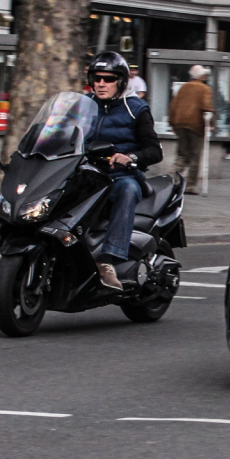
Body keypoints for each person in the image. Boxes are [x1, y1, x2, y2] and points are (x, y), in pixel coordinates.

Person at [84, 52, 162, 290]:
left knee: (127, 189)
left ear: (122, 82)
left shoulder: (136, 109)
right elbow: (58, 133)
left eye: (108, 79)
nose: (101, 83)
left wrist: (130, 157)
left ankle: (108, 260)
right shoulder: (84, 106)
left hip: (120, 176)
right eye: (97, 78)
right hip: (85, 173)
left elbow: (155, 151)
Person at [169, 64, 213, 189]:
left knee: (182, 154)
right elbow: (207, 107)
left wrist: (172, 122)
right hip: (196, 125)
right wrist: (211, 123)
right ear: (201, 76)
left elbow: (173, 105)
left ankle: (172, 176)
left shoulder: (183, 87)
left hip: (180, 123)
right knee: (195, 155)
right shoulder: (204, 88)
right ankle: (190, 185)